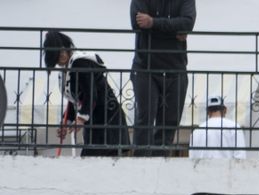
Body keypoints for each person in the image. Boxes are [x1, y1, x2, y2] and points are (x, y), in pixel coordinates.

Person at [42, 31, 130, 157]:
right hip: (96, 121)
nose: (61, 55)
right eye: (57, 53)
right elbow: (76, 100)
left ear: (67, 48)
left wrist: (81, 118)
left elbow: (90, 94)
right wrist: (66, 121)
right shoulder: (67, 68)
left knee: (89, 161)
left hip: (107, 121)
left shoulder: (80, 63)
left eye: (62, 51)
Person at [130, 0, 196, 155]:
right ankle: (140, 166)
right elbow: (137, 23)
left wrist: (153, 23)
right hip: (145, 67)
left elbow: (187, 23)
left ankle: (160, 167)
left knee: (169, 124)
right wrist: (173, 29)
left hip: (175, 68)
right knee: (145, 119)